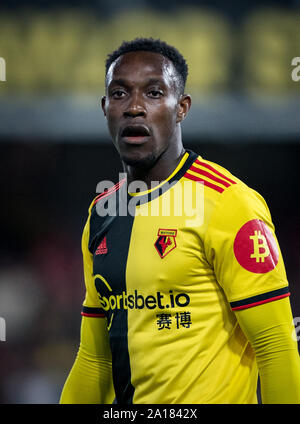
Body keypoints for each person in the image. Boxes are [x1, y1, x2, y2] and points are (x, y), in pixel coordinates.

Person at [60, 38, 300, 404]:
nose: (135, 108)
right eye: (120, 94)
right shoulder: (101, 214)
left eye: (154, 93)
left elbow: (276, 345)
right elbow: (94, 359)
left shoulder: (228, 202)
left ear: (181, 108)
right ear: (105, 107)